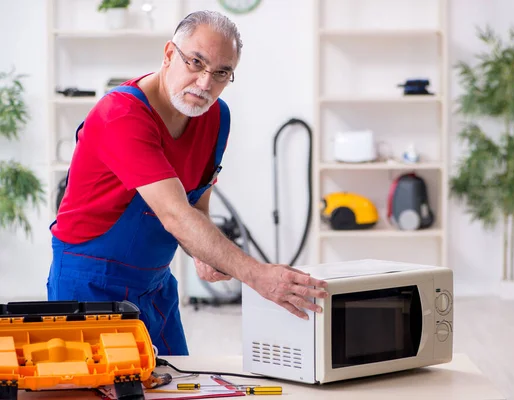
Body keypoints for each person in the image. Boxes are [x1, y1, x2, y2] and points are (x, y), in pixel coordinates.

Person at [46, 10, 328, 357]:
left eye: (221, 72)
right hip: (90, 284)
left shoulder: (216, 117)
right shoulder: (121, 115)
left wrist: (204, 252)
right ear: (169, 55)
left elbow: (196, 206)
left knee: (176, 385)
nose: (205, 83)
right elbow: (175, 215)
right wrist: (258, 276)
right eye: (196, 62)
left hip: (155, 286)